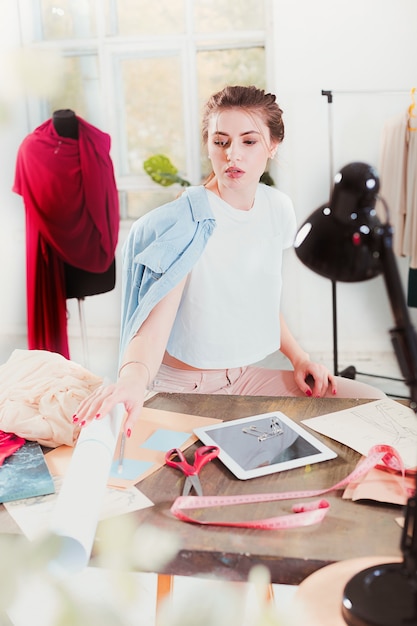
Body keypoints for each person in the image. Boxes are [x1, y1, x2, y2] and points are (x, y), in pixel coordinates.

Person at [74, 85, 385, 437]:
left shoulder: (277, 207)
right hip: (182, 388)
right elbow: (152, 327)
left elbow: (260, 300)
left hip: (243, 378)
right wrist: (131, 381)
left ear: (273, 144)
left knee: (372, 405)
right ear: (209, 144)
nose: (232, 155)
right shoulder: (188, 222)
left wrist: (300, 359)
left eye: (248, 142)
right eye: (220, 141)